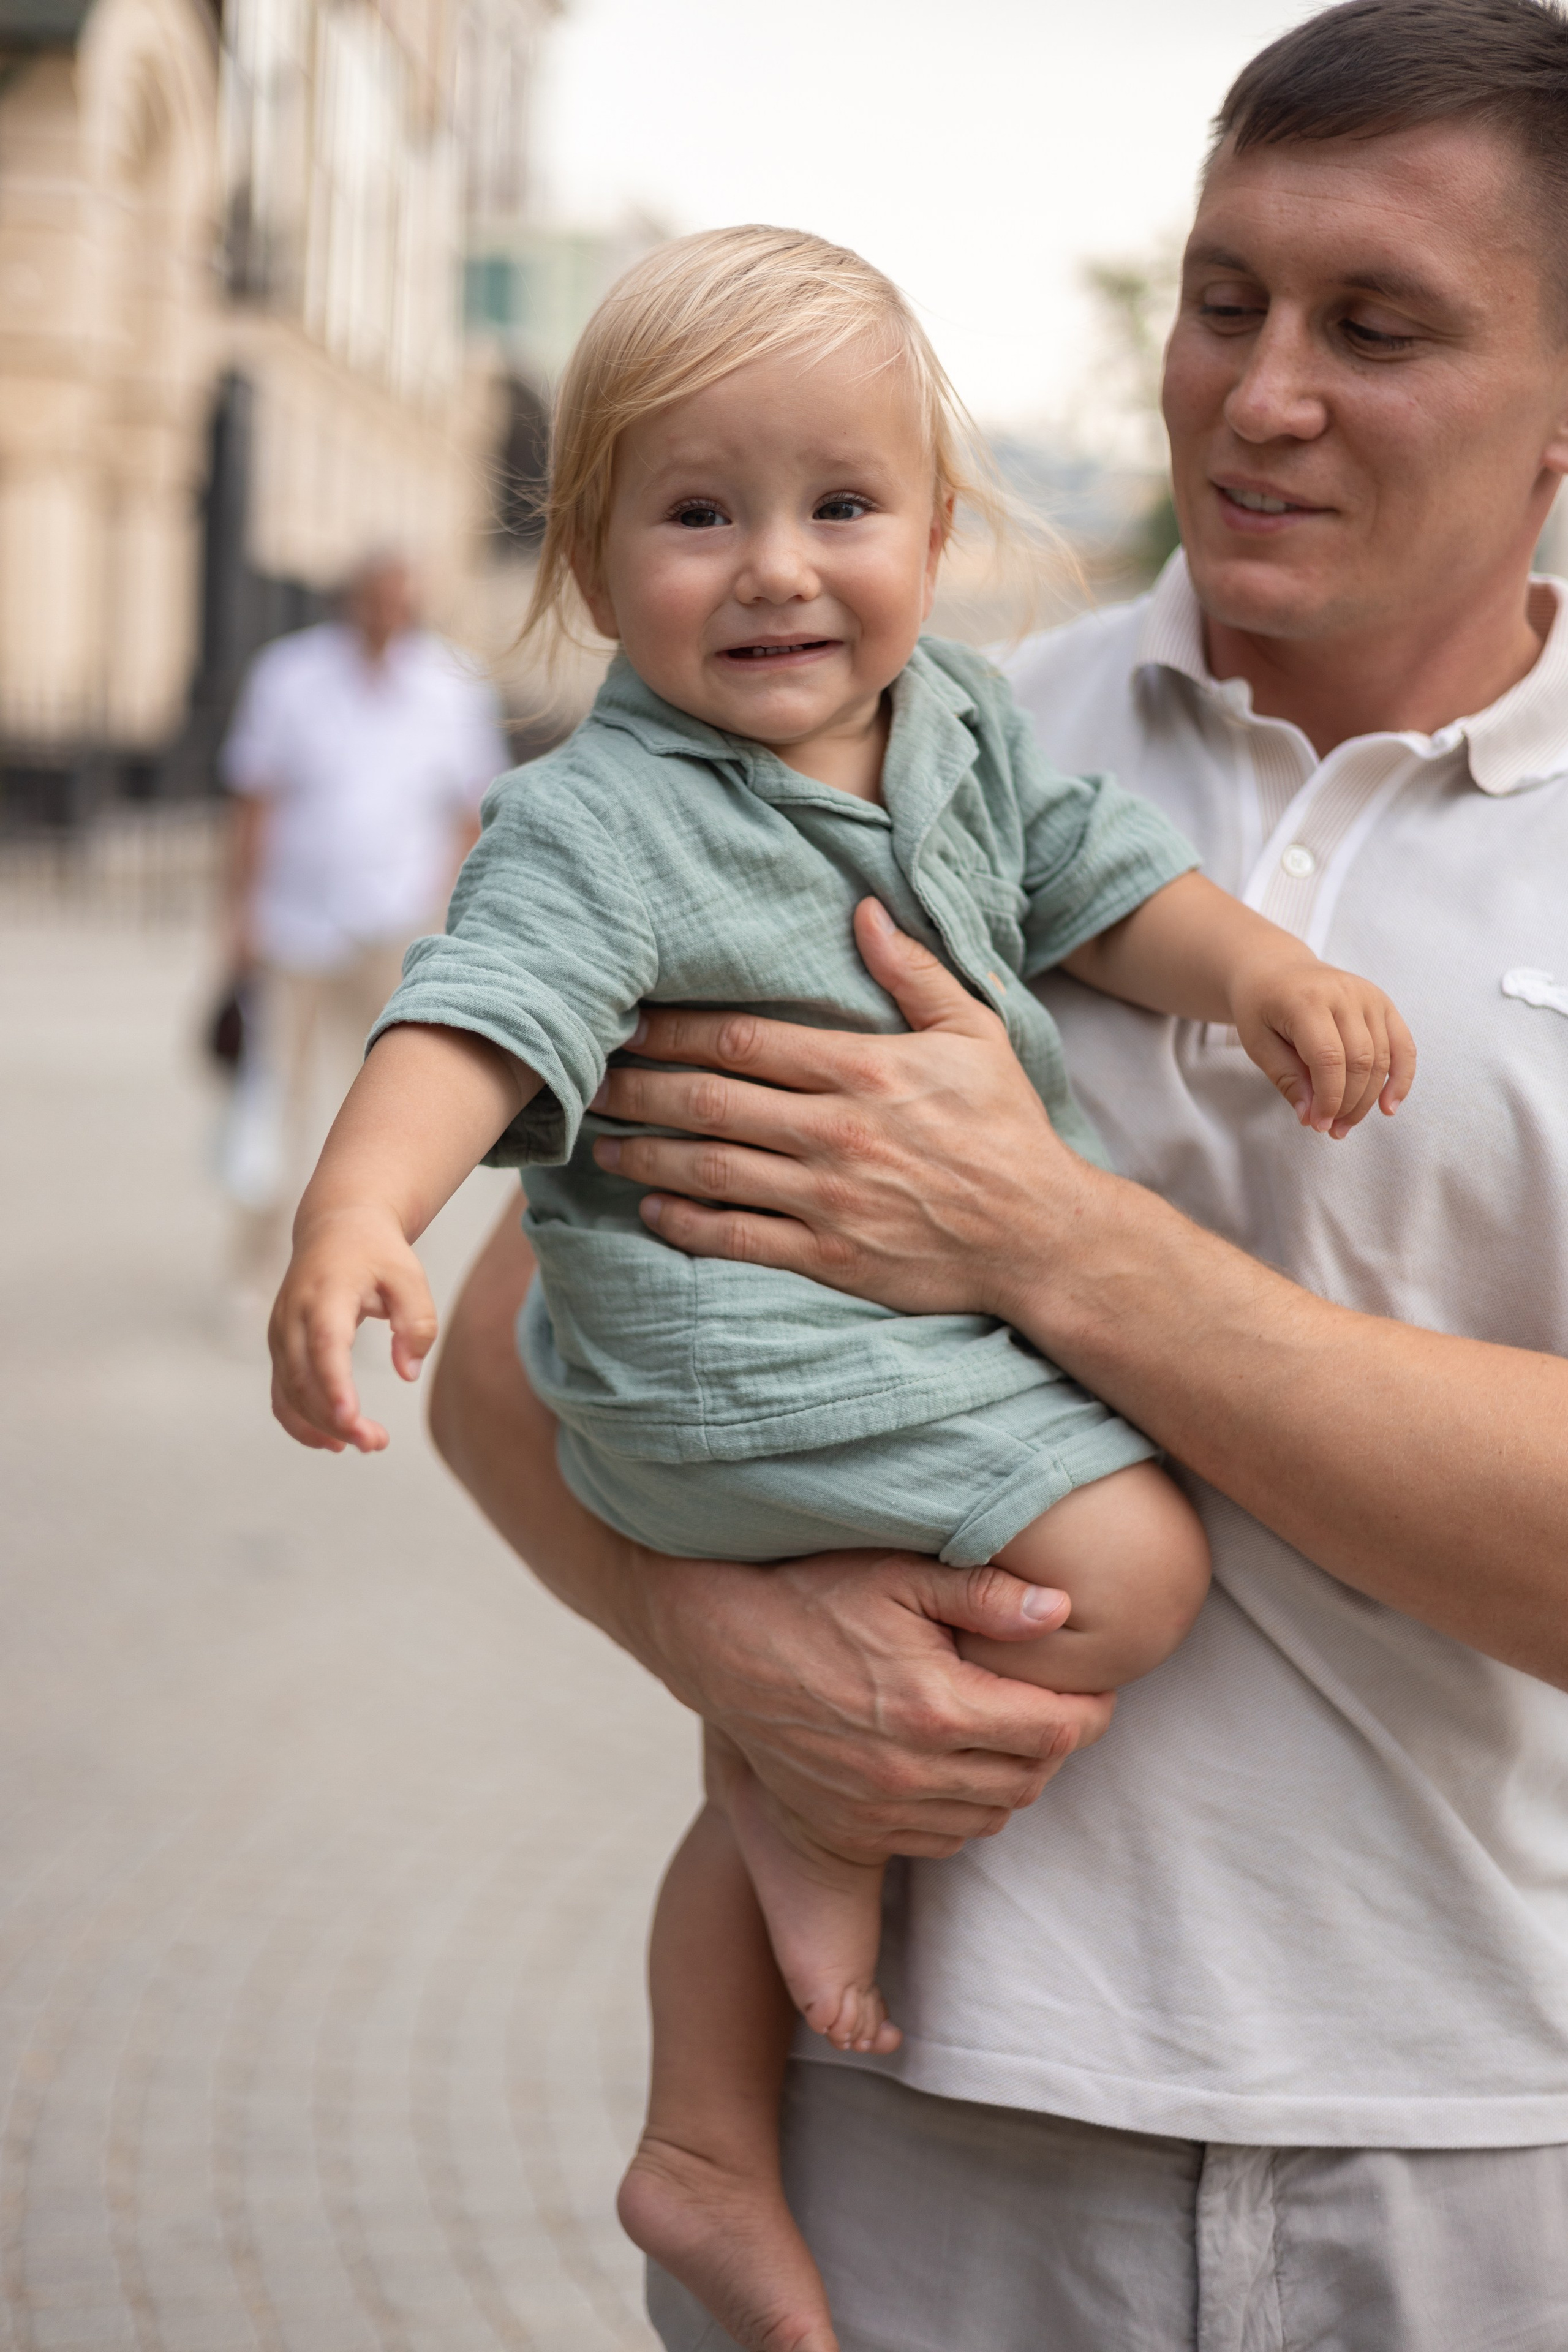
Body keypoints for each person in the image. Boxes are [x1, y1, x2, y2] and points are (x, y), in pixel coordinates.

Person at [422, 2, 1568, 2345]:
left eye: (1375, 329)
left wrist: (1048, 1238)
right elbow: (505, 1364)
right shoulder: (883, 733)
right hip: (901, 2106)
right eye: (1223, 300)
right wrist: (703, 1637)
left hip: (1485, 2132)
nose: (1259, 393)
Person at [265, 225, 1414, 2352]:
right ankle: (788, 1846)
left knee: (822, 1718)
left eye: (842, 506)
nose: (779, 570)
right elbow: (479, 1013)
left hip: (841, 1352)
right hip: (724, 1355)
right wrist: (357, 1212)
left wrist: (1256, 972)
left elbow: (1099, 882)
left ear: (937, 530)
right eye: (701, 515)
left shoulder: (954, 720)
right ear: (593, 563)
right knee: (1130, 1562)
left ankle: (709, 2118)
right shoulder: (602, 816)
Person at [218, 551, 509, 1292]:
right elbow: (253, 802)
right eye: (375, 600)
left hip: (398, 928)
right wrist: (238, 915)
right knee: (268, 1098)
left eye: (399, 603)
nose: (386, 616)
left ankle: (378, 1262)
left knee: (397, 1104)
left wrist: (447, 912)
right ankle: (258, 1266)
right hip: (294, 923)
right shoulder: (289, 675)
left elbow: (471, 809)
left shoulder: (453, 685)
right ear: (349, 601)